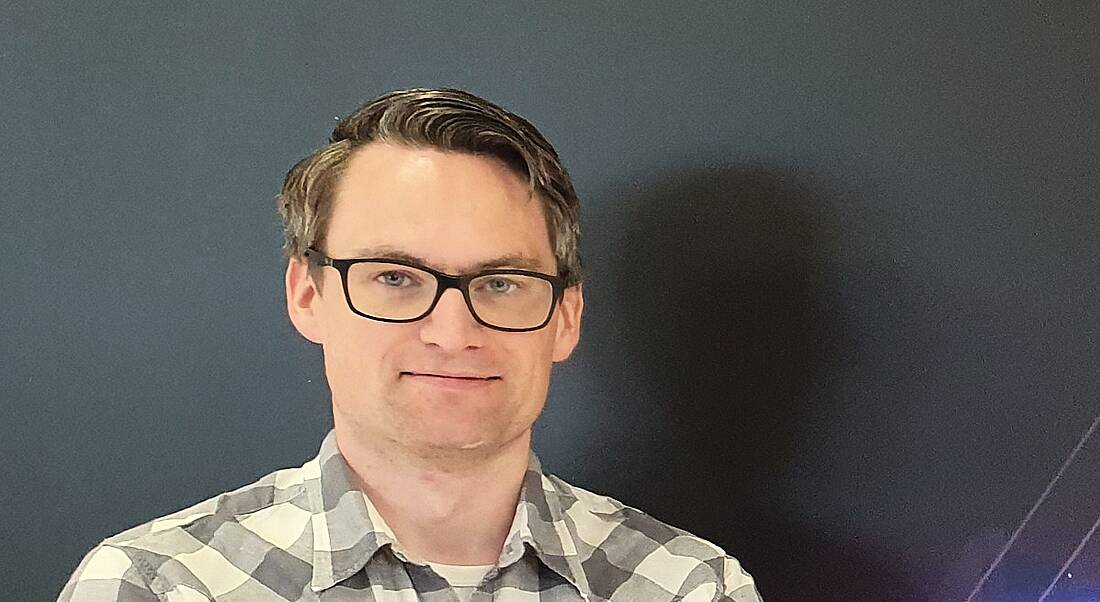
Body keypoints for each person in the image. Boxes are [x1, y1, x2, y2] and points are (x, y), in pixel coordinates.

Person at [58, 88, 762, 602]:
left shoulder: (690, 587)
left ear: (566, 318)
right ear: (308, 296)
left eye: (503, 282)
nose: (453, 334)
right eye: (394, 277)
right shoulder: (158, 586)